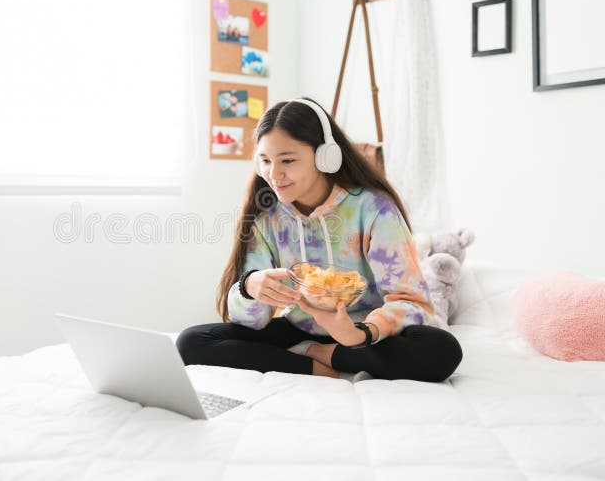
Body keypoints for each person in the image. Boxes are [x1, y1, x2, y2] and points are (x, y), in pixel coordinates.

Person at [176, 98, 463, 382]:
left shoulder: (373, 208)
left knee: (442, 350)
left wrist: (359, 333)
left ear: (325, 156)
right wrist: (249, 287)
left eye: (287, 160)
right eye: (265, 161)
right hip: (301, 326)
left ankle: (325, 353)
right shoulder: (266, 215)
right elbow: (255, 321)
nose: (274, 175)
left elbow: (413, 302)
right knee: (191, 342)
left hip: (365, 330)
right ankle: (317, 365)